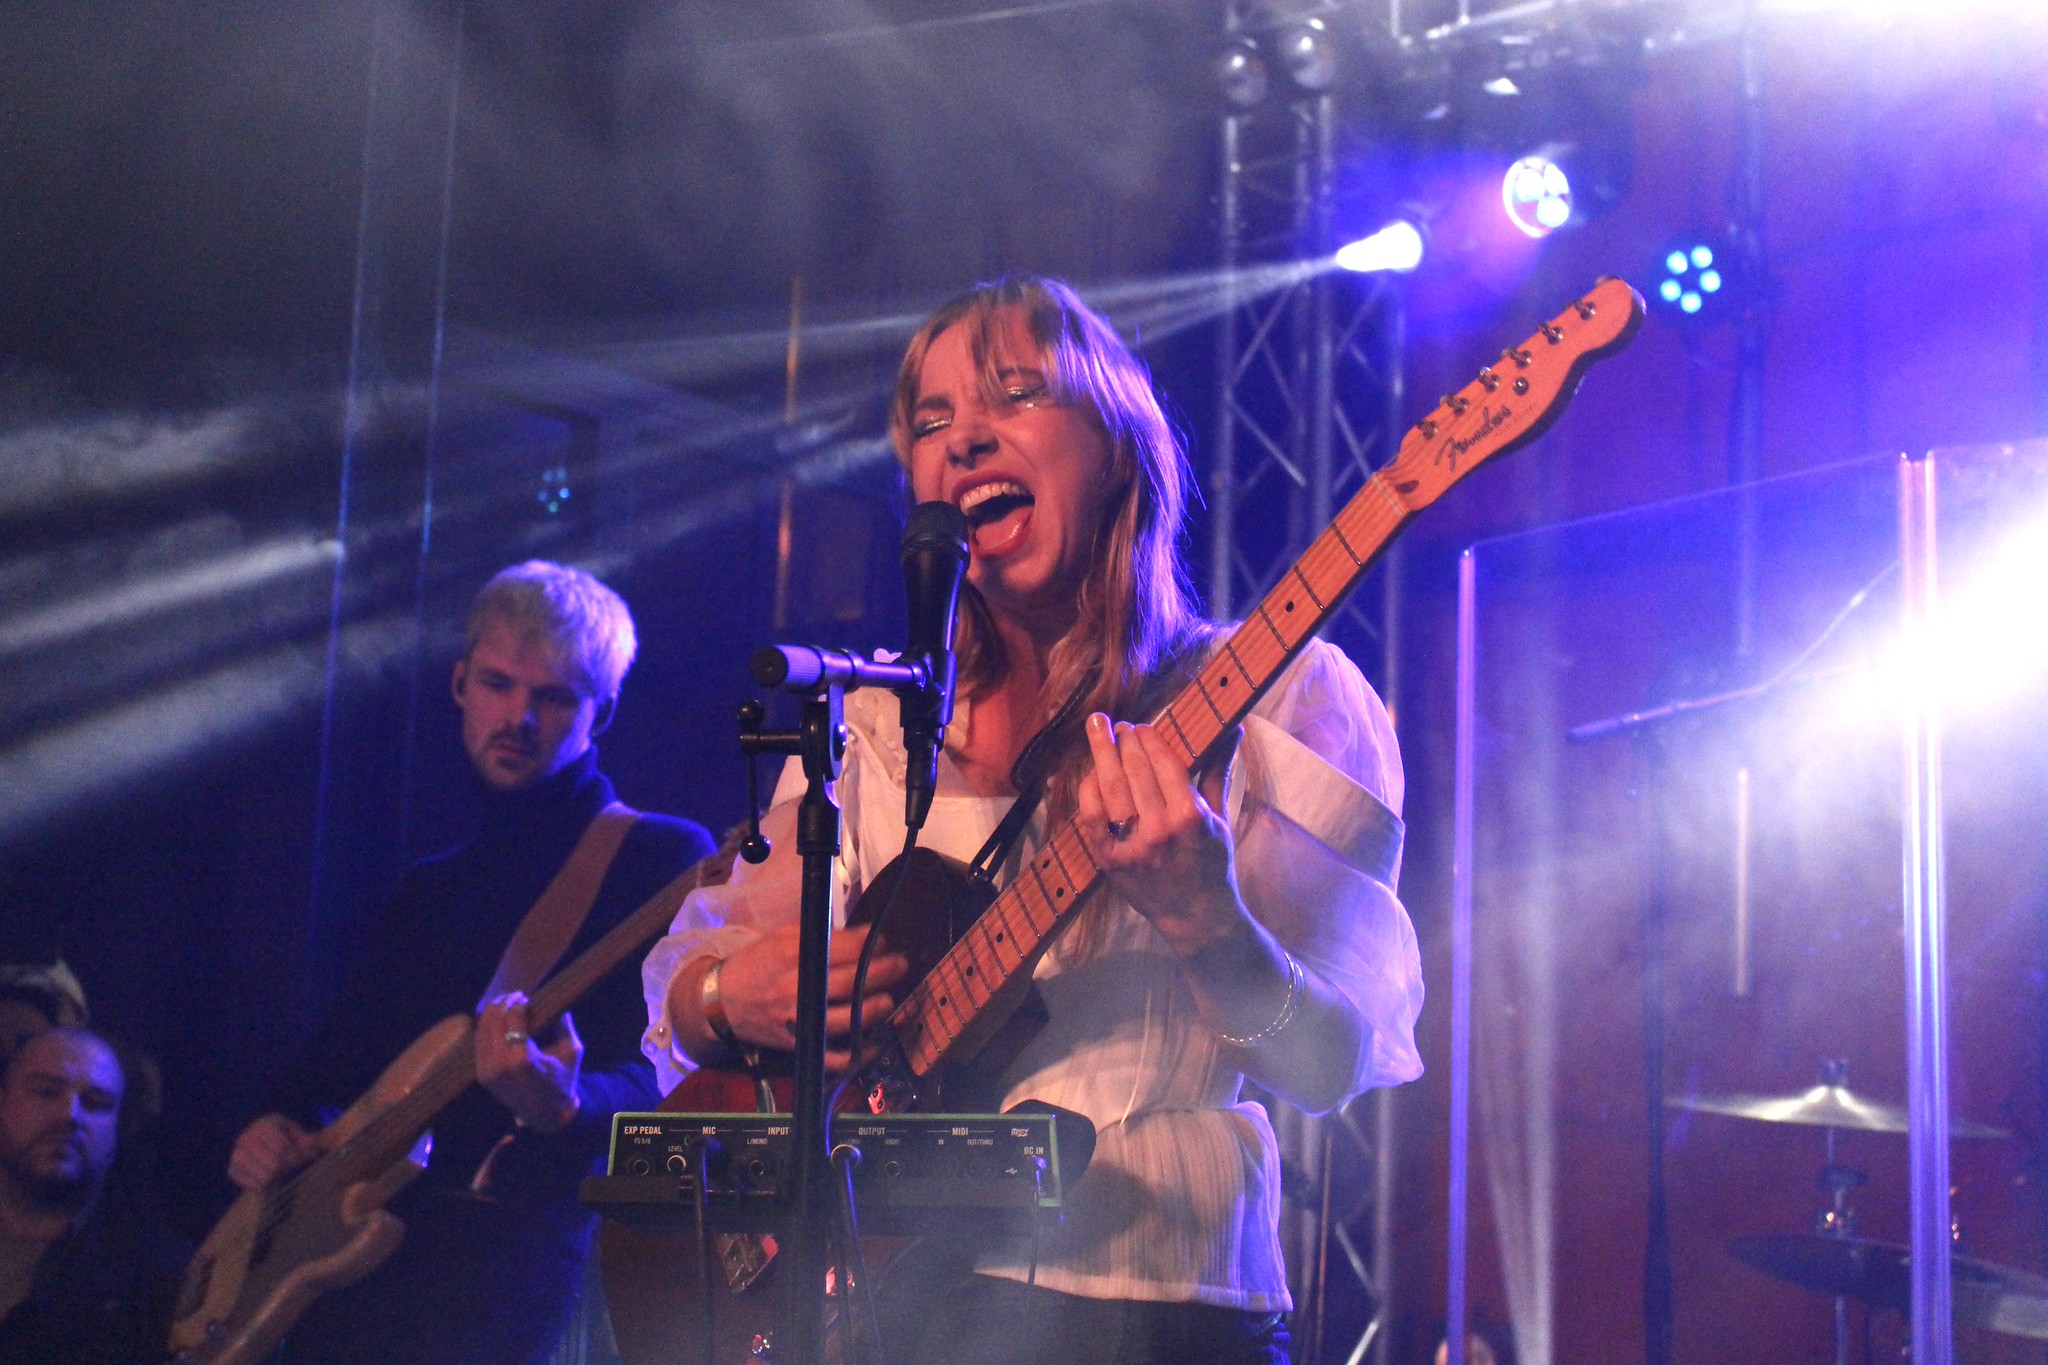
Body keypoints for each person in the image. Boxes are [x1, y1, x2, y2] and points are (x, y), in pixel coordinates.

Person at [641, 276, 1423, 1364]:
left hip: (1154, 1307)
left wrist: (1208, 920)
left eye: (1014, 397)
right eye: (929, 424)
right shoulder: (871, 729)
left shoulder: (1277, 702)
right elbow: (690, 976)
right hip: (880, 1309)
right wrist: (732, 993)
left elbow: (1327, 1065)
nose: (962, 443)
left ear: (1113, 445)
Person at [227, 561, 717, 1365]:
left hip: (515, 1285)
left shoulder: (661, 856)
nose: (519, 715)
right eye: (498, 682)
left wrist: (572, 1103)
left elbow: (681, 1080)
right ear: (460, 682)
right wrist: (274, 1130)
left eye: (554, 696)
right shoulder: (431, 887)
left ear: (606, 709)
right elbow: (331, 1069)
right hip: (359, 1290)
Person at [0, 1027, 184, 1365]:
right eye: (46, 1091)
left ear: (120, 1128)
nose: (69, 1115)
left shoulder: (154, 1280)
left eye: (96, 1103)